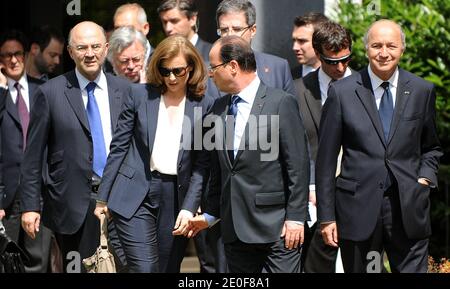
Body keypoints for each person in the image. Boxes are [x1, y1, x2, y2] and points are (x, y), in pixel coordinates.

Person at [316, 19, 443, 273]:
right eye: (376, 46)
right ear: (366, 49)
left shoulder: (422, 90)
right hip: (357, 209)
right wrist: (327, 217)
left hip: (408, 208)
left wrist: (424, 180)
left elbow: (431, 148)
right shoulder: (342, 92)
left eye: (391, 46)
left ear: (402, 50)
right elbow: (326, 161)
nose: (384, 53)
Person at [185, 35, 310, 273]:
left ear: (233, 66)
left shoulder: (280, 103)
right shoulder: (218, 109)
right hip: (235, 232)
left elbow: (298, 166)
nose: (210, 74)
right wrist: (210, 215)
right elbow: (218, 170)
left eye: (214, 68)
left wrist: (295, 218)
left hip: (277, 230)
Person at [94, 35, 213, 273]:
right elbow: (119, 147)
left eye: (178, 71)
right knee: (145, 267)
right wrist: (102, 198)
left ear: (191, 68)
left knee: (168, 267)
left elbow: (202, 165)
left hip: (176, 195)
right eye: (165, 70)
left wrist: (190, 206)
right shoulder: (139, 95)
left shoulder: (204, 104)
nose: (171, 77)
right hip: (135, 191)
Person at [19, 21, 130, 272]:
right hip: (73, 205)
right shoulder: (50, 93)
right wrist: (30, 206)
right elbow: (33, 156)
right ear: (70, 52)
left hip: (121, 200)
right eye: (81, 47)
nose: (89, 53)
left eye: (94, 46)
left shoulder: (125, 91)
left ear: (106, 48)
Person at [158, 0, 218, 273]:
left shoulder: (213, 55)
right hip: (170, 184)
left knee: (212, 261)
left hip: (207, 176)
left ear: (193, 19)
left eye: (174, 21)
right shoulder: (162, 58)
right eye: (165, 22)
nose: (168, 27)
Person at [294, 20, 353, 273]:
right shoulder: (297, 91)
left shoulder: (368, 87)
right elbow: (295, 146)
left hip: (357, 196)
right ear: (317, 55)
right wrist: (309, 187)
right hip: (311, 199)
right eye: (331, 61)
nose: (340, 67)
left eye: (346, 59)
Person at [0, 29, 52, 273]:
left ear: (26, 54)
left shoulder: (44, 89)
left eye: (17, 54)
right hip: (5, 198)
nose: (13, 60)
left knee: (38, 262)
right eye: (6, 55)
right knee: (6, 261)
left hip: (39, 192)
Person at [215, 0, 297, 98]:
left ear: (253, 30)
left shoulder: (278, 68)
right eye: (224, 30)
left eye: (237, 29)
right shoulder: (208, 73)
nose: (230, 35)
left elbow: (289, 110)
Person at [291, 12, 328, 79]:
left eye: (302, 41)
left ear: (321, 41)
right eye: (294, 40)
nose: (295, 47)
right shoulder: (288, 78)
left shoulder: (345, 77)